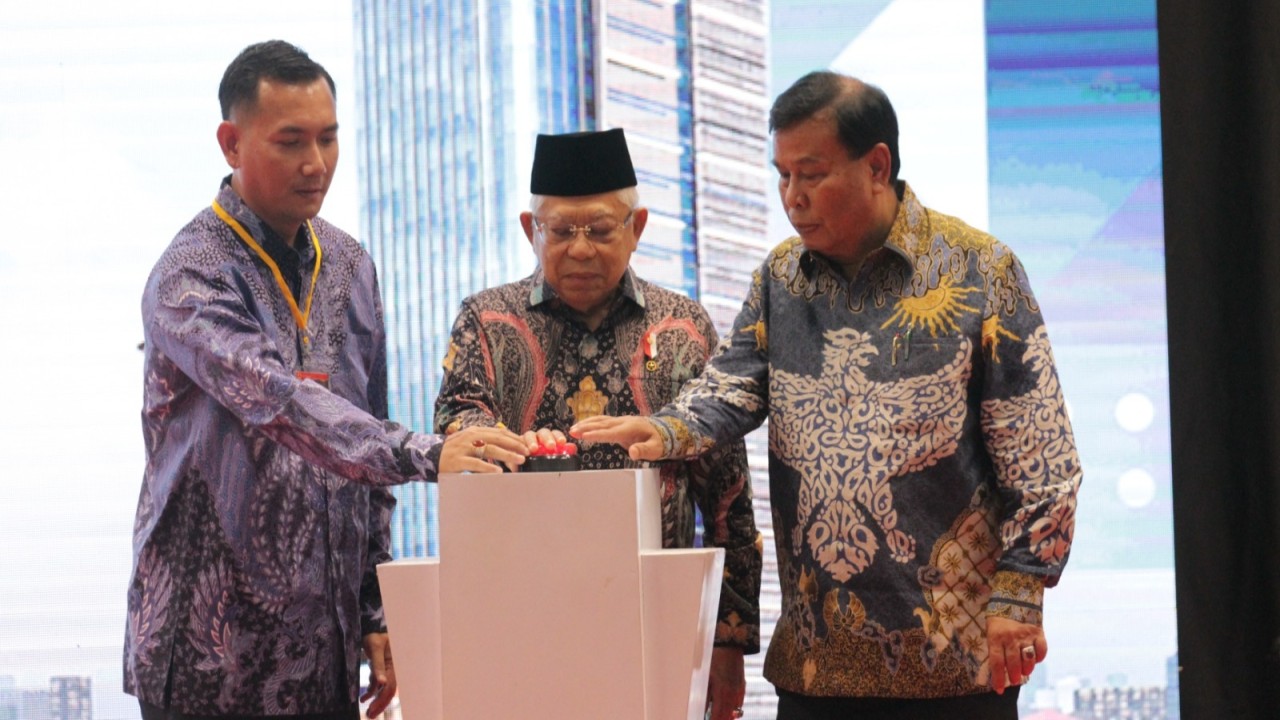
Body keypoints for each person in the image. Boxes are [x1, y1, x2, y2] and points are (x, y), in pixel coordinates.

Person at [573, 71, 1082, 719]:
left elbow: (1042, 459)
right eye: (782, 176)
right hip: (816, 669)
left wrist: (1020, 593)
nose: (793, 197)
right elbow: (733, 383)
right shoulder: (780, 279)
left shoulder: (980, 272)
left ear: (876, 165)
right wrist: (667, 431)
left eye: (811, 175)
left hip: (954, 665)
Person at [124, 40, 529, 720]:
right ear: (231, 142)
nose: (316, 164)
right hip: (209, 651)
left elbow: (364, 425)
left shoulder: (347, 263)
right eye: (290, 142)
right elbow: (279, 398)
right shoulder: (189, 274)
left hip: (324, 645)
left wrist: (377, 608)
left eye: (328, 138)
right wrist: (428, 454)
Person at [433, 128, 763, 720]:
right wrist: (502, 445)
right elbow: (457, 421)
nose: (580, 250)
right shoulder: (486, 320)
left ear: (636, 228)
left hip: (655, 621)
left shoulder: (682, 328)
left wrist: (727, 641)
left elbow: (727, 497)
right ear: (531, 231)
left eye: (601, 231)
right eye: (560, 232)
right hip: (516, 620)